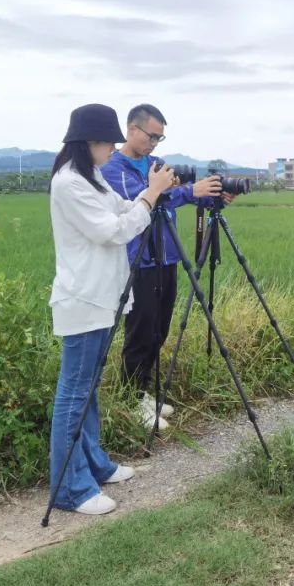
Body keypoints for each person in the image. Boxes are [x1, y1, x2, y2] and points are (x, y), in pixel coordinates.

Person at [48, 103, 176, 515]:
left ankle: (94, 464)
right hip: (84, 299)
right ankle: (70, 488)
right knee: (73, 395)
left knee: (89, 391)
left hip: (104, 298)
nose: (112, 148)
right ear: (90, 142)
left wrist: (146, 194)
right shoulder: (69, 183)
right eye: (108, 142)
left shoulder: (93, 179)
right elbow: (112, 230)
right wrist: (152, 195)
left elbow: (122, 209)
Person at [100, 103, 224, 429]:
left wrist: (214, 195)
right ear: (132, 129)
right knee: (140, 331)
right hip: (138, 260)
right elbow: (144, 198)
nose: (154, 143)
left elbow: (177, 193)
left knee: (160, 328)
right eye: (151, 136)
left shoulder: (156, 164)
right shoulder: (114, 168)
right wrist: (182, 191)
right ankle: (132, 397)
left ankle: (144, 393)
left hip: (167, 257)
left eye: (160, 138)